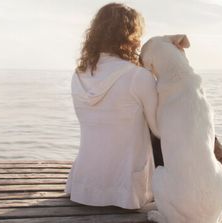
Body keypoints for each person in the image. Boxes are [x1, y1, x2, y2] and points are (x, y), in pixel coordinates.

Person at [65, 3, 160, 209]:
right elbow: (159, 130)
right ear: (131, 36)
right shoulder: (139, 76)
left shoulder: (78, 74)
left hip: (84, 186)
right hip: (126, 191)